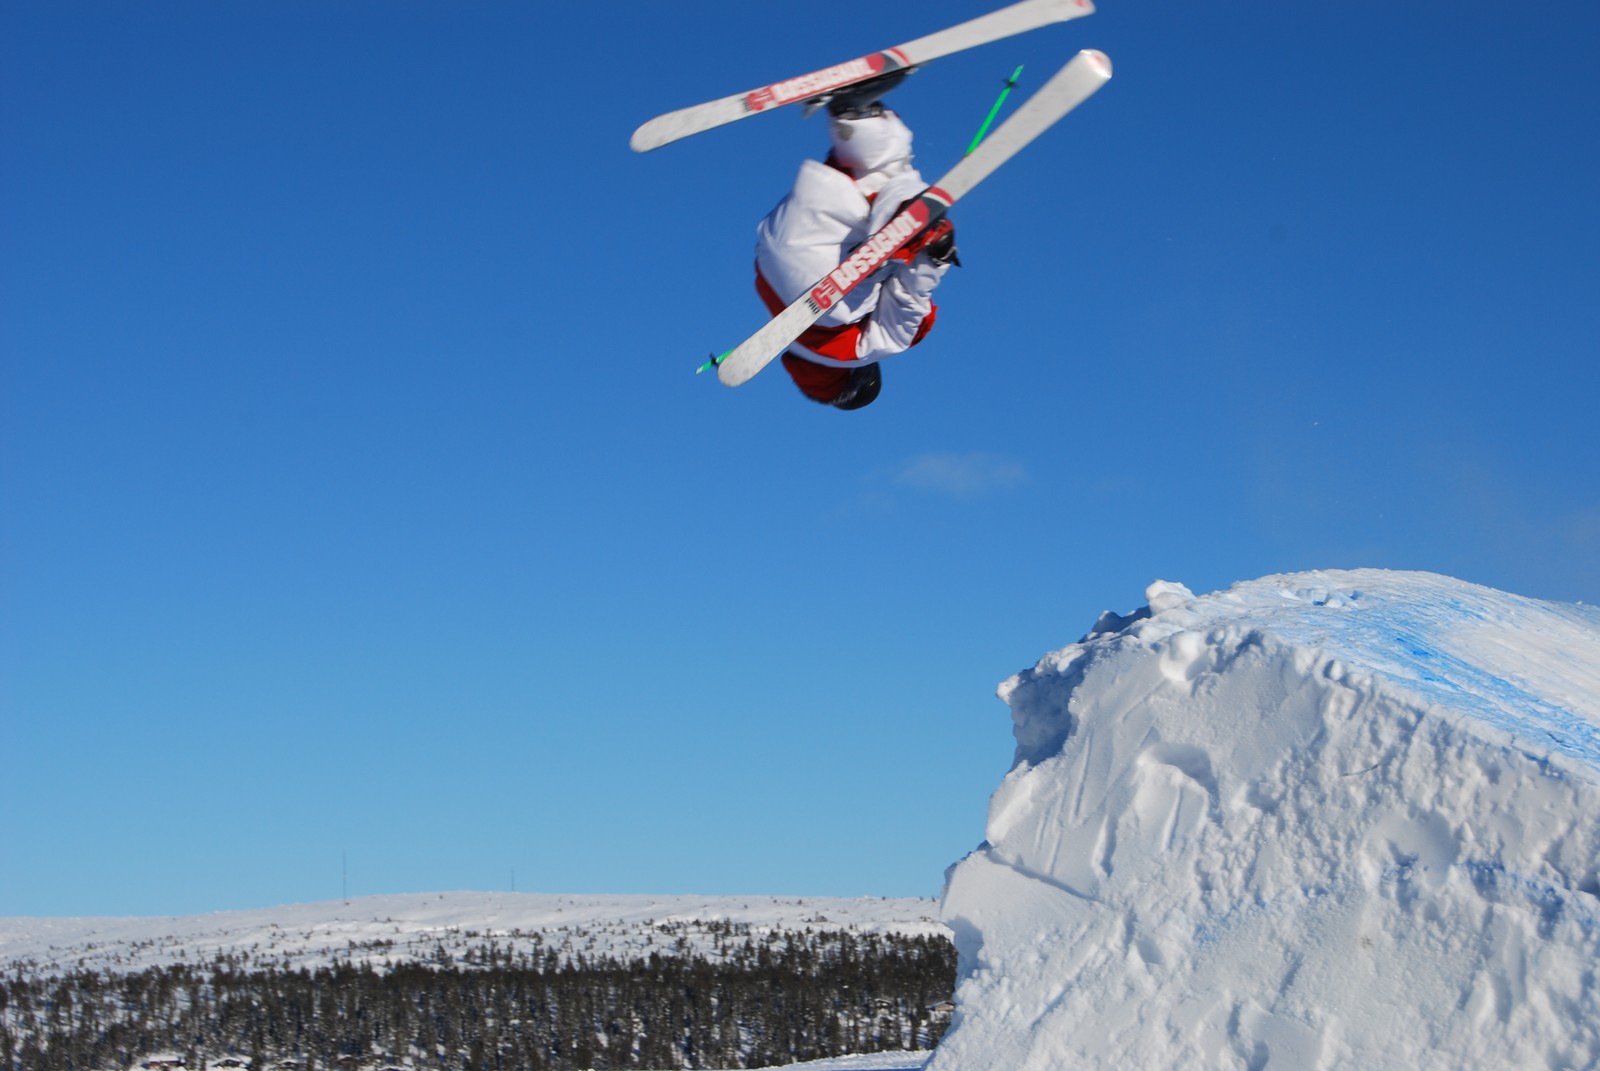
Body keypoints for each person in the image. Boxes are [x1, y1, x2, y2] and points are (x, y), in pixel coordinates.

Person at [754, 84, 958, 410]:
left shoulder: (852, 353)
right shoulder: (786, 338)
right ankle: (855, 117)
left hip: (826, 297)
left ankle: (909, 219)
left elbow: (907, 306)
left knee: (895, 189)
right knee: (872, 176)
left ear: (860, 377)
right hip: (778, 237)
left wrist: (934, 257)